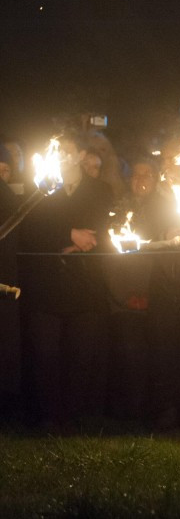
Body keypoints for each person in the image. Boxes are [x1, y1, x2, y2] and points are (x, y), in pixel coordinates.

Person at [18, 130, 114, 427]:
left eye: (67, 151)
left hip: (85, 284)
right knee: (45, 354)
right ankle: (49, 417)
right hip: (47, 285)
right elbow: (31, 229)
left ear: (81, 155)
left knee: (82, 355)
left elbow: (98, 231)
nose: (60, 156)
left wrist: (74, 238)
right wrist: (69, 235)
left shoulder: (100, 190)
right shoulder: (42, 189)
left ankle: (75, 418)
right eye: (57, 151)